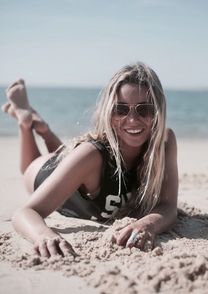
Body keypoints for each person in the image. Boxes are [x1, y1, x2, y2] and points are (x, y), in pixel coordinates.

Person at [1, 62, 178, 257]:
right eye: (121, 109)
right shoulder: (91, 155)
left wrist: (147, 224)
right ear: (109, 113)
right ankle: (26, 123)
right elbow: (24, 213)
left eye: (144, 109)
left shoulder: (164, 142)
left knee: (69, 159)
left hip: (76, 168)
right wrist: (43, 235)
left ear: (158, 111)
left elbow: (168, 205)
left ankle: (43, 129)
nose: (133, 119)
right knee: (30, 167)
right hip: (42, 172)